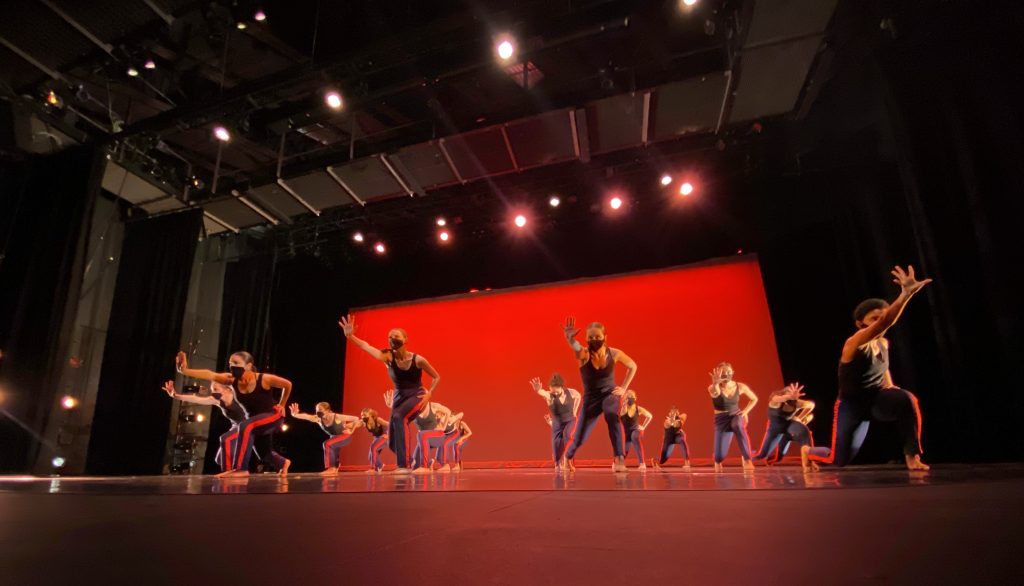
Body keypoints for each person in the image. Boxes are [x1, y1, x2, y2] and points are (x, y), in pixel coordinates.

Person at [805, 265, 931, 471]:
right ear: (859, 323)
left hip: (877, 399)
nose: (880, 321)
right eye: (874, 318)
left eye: (881, 316)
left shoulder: (883, 343)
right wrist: (905, 295)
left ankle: (912, 456)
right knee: (839, 460)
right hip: (851, 405)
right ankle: (809, 452)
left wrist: (890, 387)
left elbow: (884, 368)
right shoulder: (854, 343)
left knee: (906, 399)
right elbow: (885, 322)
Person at [339, 315, 441, 474]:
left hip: (417, 394)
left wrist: (429, 394)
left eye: (396, 336)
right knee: (391, 442)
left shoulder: (418, 360)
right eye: (390, 337)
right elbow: (367, 347)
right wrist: (351, 336)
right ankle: (412, 460)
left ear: (405, 339)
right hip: (399, 396)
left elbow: (436, 377)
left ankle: (404, 466)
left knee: (401, 417)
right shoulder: (388, 356)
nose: (392, 338)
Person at [175, 351, 292, 477]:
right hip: (254, 420)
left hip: (273, 416)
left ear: (248, 365)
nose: (232, 366)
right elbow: (210, 374)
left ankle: (241, 469)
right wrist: (185, 371)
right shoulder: (231, 380)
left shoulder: (264, 379)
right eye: (230, 363)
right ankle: (283, 463)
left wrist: (282, 404)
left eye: (236, 363)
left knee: (245, 426)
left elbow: (287, 385)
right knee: (263, 453)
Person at [561, 318, 638, 473]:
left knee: (611, 414)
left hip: (610, 394)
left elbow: (632, 366)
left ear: (605, 337)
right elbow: (577, 348)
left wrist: (623, 388)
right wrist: (571, 340)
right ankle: (568, 457)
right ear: (586, 339)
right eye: (590, 338)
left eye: (597, 337)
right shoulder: (584, 355)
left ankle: (619, 459)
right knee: (579, 438)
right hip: (591, 400)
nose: (594, 340)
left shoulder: (615, 353)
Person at [161, 380, 247, 474]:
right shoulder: (217, 400)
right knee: (219, 459)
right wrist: (175, 395)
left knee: (225, 439)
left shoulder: (238, 397)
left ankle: (231, 472)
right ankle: (236, 465)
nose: (213, 392)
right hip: (235, 427)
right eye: (212, 390)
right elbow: (196, 399)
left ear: (227, 389)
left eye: (215, 389)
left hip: (246, 425)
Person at [753, 383, 828, 471]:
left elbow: (811, 405)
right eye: (788, 395)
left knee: (804, 430)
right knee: (765, 455)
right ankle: (748, 457)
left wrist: (799, 418)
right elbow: (778, 398)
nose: (791, 398)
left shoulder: (796, 403)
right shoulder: (775, 401)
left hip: (789, 427)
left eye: (793, 396)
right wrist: (789, 396)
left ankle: (810, 461)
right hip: (776, 431)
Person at [384, 390, 456, 474]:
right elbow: (400, 417)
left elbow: (447, 411)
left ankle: (425, 467)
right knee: (415, 466)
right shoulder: (412, 410)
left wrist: (443, 427)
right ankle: (429, 464)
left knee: (421, 434)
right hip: (423, 440)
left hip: (437, 437)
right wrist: (393, 408)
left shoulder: (433, 406)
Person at [707, 362, 758, 472]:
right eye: (723, 373)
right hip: (721, 420)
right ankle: (717, 460)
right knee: (719, 456)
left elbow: (754, 399)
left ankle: (747, 459)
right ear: (719, 374)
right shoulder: (712, 387)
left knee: (738, 425)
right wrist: (715, 384)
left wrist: (745, 411)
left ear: (733, 373)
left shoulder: (740, 386)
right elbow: (715, 392)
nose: (726, 374)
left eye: (728, 372)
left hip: (736, 415)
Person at [288, 402, 363, 476]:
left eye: (320, 410)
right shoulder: (318, 419)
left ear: (327, 411)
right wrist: (295, 414)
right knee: (333, 449)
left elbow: (356, 418)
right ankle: (335, 467)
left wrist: (351, 431)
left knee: (327, 444)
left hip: (344, 436)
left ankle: (331, 468)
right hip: (334, 437)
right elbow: (307, 416)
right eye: (317, 410)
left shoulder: (335, 416)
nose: (318, 412)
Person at [530, 374, 581, 470]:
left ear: (561, 387)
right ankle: (558, 464)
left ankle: (568, 460)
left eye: (557, 391)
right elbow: (543, 392)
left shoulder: (570, 392)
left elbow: (578, 396)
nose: (555, 394)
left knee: (568, 435)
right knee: (557, 446)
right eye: (553, 391)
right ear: (550, 388)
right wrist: (538, 390)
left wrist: (575, 410)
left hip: (570, 420)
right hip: (557, 423)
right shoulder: (550, 396)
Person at [620, 390, 653, 470]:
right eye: (628, 396)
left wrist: (644, 427)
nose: (630, 398)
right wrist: (624, 405)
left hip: (636, 430)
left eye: (631, 396)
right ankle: (618, 463)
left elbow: (650, 416)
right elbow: (623, 413)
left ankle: (642, 463)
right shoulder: (623, 409)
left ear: (635, 398)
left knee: (634, 437)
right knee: (625, 450)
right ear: (625, 398)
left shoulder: (638, 408)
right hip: (626, 433)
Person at [360, 408, 389, 473]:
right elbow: (355, 424)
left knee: (373, 448)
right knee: (370, 455)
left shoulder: (377, 420)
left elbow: (389, 425)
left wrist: (388, 435)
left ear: (370, 415)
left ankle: (376, 467)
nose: (363, 417)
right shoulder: (364, 422)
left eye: (364, 415)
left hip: (384, 437)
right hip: (377, 438)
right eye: (361, 415)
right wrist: (345, 426)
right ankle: (376, 467)